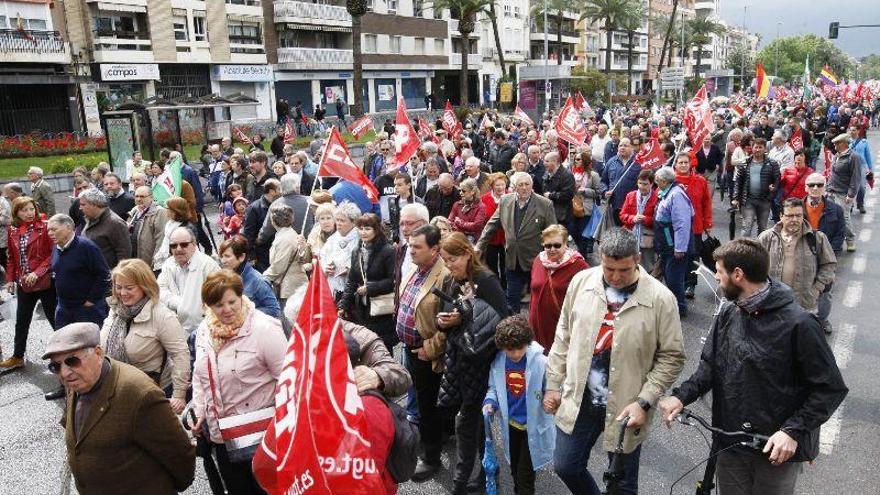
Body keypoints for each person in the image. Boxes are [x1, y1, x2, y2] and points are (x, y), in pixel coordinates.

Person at [659, 239, 848, 495]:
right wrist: (681, 397)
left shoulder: (800, 324)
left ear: (738, 275)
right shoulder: (728, 312)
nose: (715, 277)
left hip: (774, 451)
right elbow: (710, 367)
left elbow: (830, 388)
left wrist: (792, 431)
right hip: (730, 444)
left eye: (719, 271)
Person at [544, 228, 685, 495]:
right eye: (609, 269)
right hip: (581, 398)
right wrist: (553, 383)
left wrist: (645, 400)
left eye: (624, 270)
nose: (616, 277)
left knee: (622, 484)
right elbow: (564, 335)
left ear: (636, 260)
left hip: (627, 405)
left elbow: (672, 357)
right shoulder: (581, 283)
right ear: (600, 258)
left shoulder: (661, 299)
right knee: (566, 466)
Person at [46, 322, 195, 494]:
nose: (64, 372)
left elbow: (179, 454)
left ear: (98, 353)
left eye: (72, 361)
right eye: (55, 366)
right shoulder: (77, 382)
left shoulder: (138, 393)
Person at [191, 270, 286, 495]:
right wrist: (199, 409)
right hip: (221, 435)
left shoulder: (264, 328)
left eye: (232, 302)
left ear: (241, 297)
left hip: (262, 438)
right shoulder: (205, 330)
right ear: (208, 306)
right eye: (218, 305)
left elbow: (288, 379)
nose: (227, 310)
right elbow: (199, 373)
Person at [435, 232, 509, 494]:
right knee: (473, 424)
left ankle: (476, 477)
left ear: (468, 253)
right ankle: (484, 472)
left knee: (470, 422)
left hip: (482, 363)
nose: (449, 265)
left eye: (453, 259)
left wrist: (464, 319)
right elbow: (445, 317)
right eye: (445, 260)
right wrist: (443, 323)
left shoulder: (486, 280)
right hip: (459, 363)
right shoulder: (454, 281)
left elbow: (503, 320)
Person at [396, 224, 452, 482]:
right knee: (422, 401)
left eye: (417, 247)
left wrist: (430, 350)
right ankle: (438, 438)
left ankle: (431, 458)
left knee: (428, 407)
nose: (411, 251)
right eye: (410, 246)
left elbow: (455, 323)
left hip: (427, 356)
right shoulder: (416, 269)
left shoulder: (445, 276)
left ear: (435, 249)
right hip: (410, 349)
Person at [101, 259, 190, 410]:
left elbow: (181, 354)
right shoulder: (115, 310)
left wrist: (179, 395)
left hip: (150, 395)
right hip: (115, 392)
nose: (122, 293)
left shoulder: (162, 316)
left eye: (129, 288)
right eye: (118, 287)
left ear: (145, 286)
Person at [482, 315, 557, 495]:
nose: (515, 354)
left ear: (527, 343)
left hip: (532, 428)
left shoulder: (541, 363)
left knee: (525, 476)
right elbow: (494, 387)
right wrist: (490, 402)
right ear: (502, 348)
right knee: (515, 469)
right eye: (510, 349)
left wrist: (552, 399)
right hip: (511, 425)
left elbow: (553, 387)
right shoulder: (499, 362)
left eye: (520, 348)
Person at [476, 172, 556, 314]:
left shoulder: (545, 204)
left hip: (535, 261)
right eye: (521, 185)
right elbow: (491, 225)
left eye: (527, 184)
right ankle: (515, 329)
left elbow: (553, 233)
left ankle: (536, 326)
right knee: (512, 299)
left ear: (532, 186)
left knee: (538, 298)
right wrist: (480, 246)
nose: (524, 188)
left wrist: (554, 256)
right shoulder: (505, 201)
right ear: (514, 187)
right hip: (512, 260)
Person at [758, 197, 837, 327]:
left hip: (805, 304)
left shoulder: (817, 238)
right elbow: (755, 267)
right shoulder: (766, 238)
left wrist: (817, 289)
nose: (794, 220)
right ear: (781, 216)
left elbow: (829, 265)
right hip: (774, 303)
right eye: (790, 216)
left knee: (802, 341)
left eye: (798, 215)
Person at [0, 197, 57, 371]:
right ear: (16, 212)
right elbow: (11, 257)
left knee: (54, 319)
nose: (29, 213)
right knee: (22, 321)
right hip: (24, 283)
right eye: (24, 210)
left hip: (46, 282)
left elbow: (52, 254)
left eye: (31, 209)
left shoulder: (45, 227)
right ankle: (18, 356)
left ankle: (67, 355)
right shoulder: (13, 230)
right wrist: (10, 279)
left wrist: (37, 272)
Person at [339, 213, 398, 351]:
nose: (363, 232)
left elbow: (394, 280)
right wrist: (343, 305)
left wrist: (370, 288)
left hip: (382, 310)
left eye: (367, 228)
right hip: (363, 309)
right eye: (360, 228)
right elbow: (352, 281)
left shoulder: (388, 251)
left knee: (382, 349)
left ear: (376, 229)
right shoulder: (357, 251)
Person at [528, 224, 588, 353]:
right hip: (537, 325)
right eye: (548, 245)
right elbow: (533, 293)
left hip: (561, 326)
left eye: (557, 245)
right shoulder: (539, 260)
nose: (552, 249)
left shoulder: (578, 265)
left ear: (566, 244)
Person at [48, 214, 110, 328]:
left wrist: (91, 300)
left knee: (90, 343)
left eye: (54, 229)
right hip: (64, 308)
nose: (50, 233)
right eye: (49, 230)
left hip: (86, 309)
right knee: (64, 343)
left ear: (68, 227)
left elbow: (104, 275)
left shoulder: (86, 247)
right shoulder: (56, 248)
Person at [158, 226, 221, 337]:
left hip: (203, 331)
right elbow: (159, 291)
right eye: (173, 246)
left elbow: (219, 300)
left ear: (194, 244)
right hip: (174, 331)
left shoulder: (208, 265)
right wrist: (180, 303)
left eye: (184, 244)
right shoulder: (168, 264)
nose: (178, 249)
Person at [653, 167, 695, 317]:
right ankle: (673, 305)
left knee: (673, 278)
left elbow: (682, 223)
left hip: (674, 246)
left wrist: (680, 248)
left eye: (657, 181)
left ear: (664, 181)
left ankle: (680, 307)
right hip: (666, 244)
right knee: (669, 275)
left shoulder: (676, 195)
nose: (655, 184)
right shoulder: (668, 192)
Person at [672, 152, 713, 299]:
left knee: (693, 255)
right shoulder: (670, 180)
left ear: (690, 164)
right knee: (676, 254)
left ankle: (690, 284)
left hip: (695, 226)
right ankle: (676, 282)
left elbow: (706, 203)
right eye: (680, 162)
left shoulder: (700, 181)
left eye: (685, 162)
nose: (683, 165)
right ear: (675, 164)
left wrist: (707, 222)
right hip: (675, 227)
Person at [218, 236, 281, 318]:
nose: (223, 261)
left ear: (241, 257)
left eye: (227, 256)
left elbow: (274, 310)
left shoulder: (258, 281)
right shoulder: (226, 276)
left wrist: (246, 312)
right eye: (222, 256)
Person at [262, 204, 310, 309]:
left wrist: (263, 278)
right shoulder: (286, 233)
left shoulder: (285, 238)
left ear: (273, 220)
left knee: (289, 319)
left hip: (290, 287)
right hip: (292, 285)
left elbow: (279, 267)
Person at [732, 138, 781, 238]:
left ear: (765, 149)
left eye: (760, 147)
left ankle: (760, 249)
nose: (758, 150)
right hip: (748, 200)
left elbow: (777, 180)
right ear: (752, 148)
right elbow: (738, 182)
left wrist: (772, 193)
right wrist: (736, 198)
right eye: (756, 147)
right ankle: (744, 250)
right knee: (747, 227)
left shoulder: (772, 164)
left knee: (763, 228)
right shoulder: (745, 163)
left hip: (765, 200)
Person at [826, 133, 863, 252]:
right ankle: (837, 240)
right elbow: (832, 174)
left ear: (843, 143)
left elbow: (856, 177)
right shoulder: (837, 156)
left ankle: (850, 240)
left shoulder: (853, 157)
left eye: (836, 143)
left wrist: (851, 195)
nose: (834, 145)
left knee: (844, 218)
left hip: (843, 193)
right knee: (832, 218)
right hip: (831, 191)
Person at [79, 188, 131, 270]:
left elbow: (124, 255)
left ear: (94, 204)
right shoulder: (91, 218)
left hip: (108, 277)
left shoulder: (115, 223)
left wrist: (117, 277)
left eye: (83, 204)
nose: (80, 208)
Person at [320, 201, 362, 299]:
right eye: (337, 220)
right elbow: (322, 257)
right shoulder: (332, 239)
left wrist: (349, 270)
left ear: (354, 222)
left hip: (353, 291)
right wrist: (325, 268)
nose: (338, 224)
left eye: (342, 221)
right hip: (332, 289)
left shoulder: (360, 239)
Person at [619, 169, 659, 271]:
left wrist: (646, 219)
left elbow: (658, 220)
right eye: (640, 183)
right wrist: (632, 218)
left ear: (651, 184)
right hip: (630, 234)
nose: (641, 186)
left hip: (647, 238)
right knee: (628, 264)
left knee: (647, 266)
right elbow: (622, 215)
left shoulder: (657, 197)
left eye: (645, 184)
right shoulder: (630, 195)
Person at [242, 178, 282, 272]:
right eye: (280, 188)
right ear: (272, 191)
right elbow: (248, 234)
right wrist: (252, 255)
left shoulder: (280, 204)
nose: (282, 191)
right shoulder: (254, 208)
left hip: (278, 250)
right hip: (262, 253)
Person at [601, 138, 640, 223]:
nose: (622, 148)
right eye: (620, 145)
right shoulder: (611, 162)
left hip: (632, 208)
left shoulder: (638, 163)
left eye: (625, 146)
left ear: (632, 147)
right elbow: (603, 181)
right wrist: (605, 192)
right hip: (615, 206)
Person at [480, 173, 508, 286]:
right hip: (491, 238)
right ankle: (495, 285)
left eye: (502, 185)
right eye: (497, 185)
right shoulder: (484, 199)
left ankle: (506, 286)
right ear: (492, 186)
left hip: (506, 238)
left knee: (505, 264)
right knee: (491, 264)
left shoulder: (511, 196)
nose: (500, 188)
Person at [128, 186, 166, 268]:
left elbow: (160, 239)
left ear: (151, 197)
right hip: (133, 258)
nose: (138, 199)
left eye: (142, 196)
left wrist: (156, 262)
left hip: (148, 261)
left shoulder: (159, 212)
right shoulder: (135, 210)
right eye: (136, 196)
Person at [153, 197, 193, 272]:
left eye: (167, 208)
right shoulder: (170, 223)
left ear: (175, 211)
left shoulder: (186, 228)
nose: (165, 210)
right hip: (164, 261)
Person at [448, 177, 488, 243]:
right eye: (459, 190)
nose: (460, 193)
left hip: (474, 241)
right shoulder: (457, 204)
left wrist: (460, 223)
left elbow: (476, 226)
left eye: (463, 191)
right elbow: (449, 222)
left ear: (472, 192)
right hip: (458, 239)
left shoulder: (481, 207)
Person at [542, 151, 577, 226]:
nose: (544, 163)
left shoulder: (567, 175)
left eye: (547, 161)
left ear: (555, 161)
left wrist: (551, 195)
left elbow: (568, 194)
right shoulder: (547, 173)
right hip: (549, 212)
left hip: (562, 215)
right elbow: (544, 189)